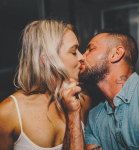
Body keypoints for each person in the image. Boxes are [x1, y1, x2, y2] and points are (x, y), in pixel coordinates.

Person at [0, 19, 92, 150]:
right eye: (73, 52)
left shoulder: (83, 102)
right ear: (48, 60)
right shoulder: (8, 113)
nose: (82, 57)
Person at [62, 29, 139, 150]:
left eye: (90, 49)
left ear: (116, 54)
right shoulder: (94, 117)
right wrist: (72, 114)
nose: (82, 56)